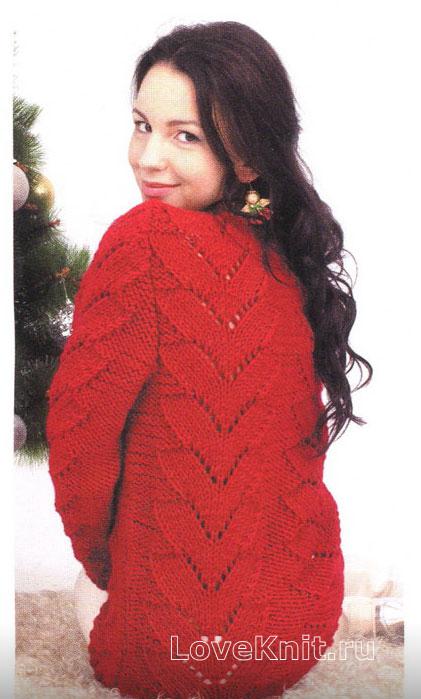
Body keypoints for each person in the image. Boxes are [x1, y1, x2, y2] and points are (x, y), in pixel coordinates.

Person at [46, 20, 372, 699]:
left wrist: (104, 562)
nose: (148, 157)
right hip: (292, 638)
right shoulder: (283, 252)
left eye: (184, 136)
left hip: (162, 656)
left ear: (246, 157)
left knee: (88, 583)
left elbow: (80, 441)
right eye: (142, 125)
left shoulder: (142, 241)